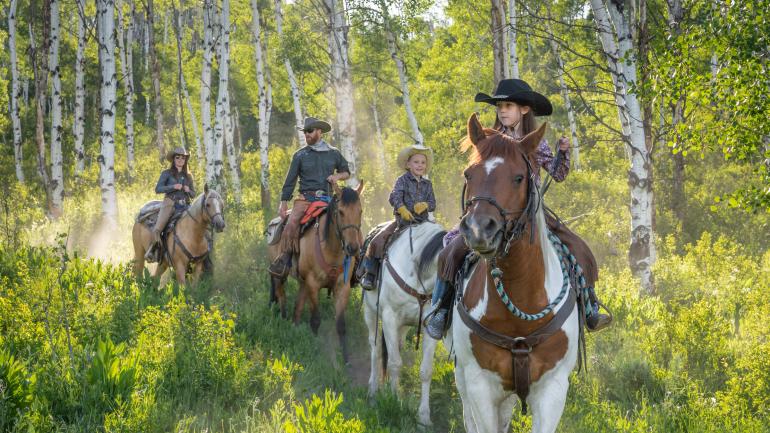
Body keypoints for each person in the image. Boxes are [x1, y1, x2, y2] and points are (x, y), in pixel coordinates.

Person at [424, 78, 612, 339]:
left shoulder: (536, 143)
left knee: (580, 250)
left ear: (524, 109)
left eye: (509, 105)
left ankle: (590, 307)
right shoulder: (489, 140)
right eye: (500, 106)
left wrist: (563, 153)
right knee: (450, 251)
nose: (502, 111)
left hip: (531, 213)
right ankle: (440, 310)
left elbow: (557, 174)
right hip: (492, 212)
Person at [268, 116, 351, 278]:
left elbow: (347, 172)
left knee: (348, 220)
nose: (306, 134)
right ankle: (285, 259)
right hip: (305, 199)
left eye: (310, 131)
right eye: (305, 132)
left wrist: (337, 177)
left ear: (319, 132)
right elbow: (290, 180)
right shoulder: (300, 155)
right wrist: (283, 202)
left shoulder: (334, 153)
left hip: (328, 199)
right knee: (291, 223)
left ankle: (356, 262)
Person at [360, 144, 436, 290]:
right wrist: (401, 209)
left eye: (423, 162)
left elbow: (433, 203)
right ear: (408, 164)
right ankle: (370, 274)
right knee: (378, 240)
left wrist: (425, 205)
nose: (420, 165)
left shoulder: (428, 184)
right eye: (416, 162)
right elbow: (394, 196)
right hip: (403, 222)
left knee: (442, 239)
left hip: (424, 223)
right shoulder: (402, 180)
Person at [145, 147, 196, 262]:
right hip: (170, 204)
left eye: (183, 158)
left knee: (199, 222)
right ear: (173, 159)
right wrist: (172, 187)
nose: (180, 160)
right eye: (177, 157)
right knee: (158, 228)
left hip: (185, 205)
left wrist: (189, 190)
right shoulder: (166, 174)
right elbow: (158, 189)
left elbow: (193, 194)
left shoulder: (188, 176)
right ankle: (154, 251)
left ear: (185, 160)